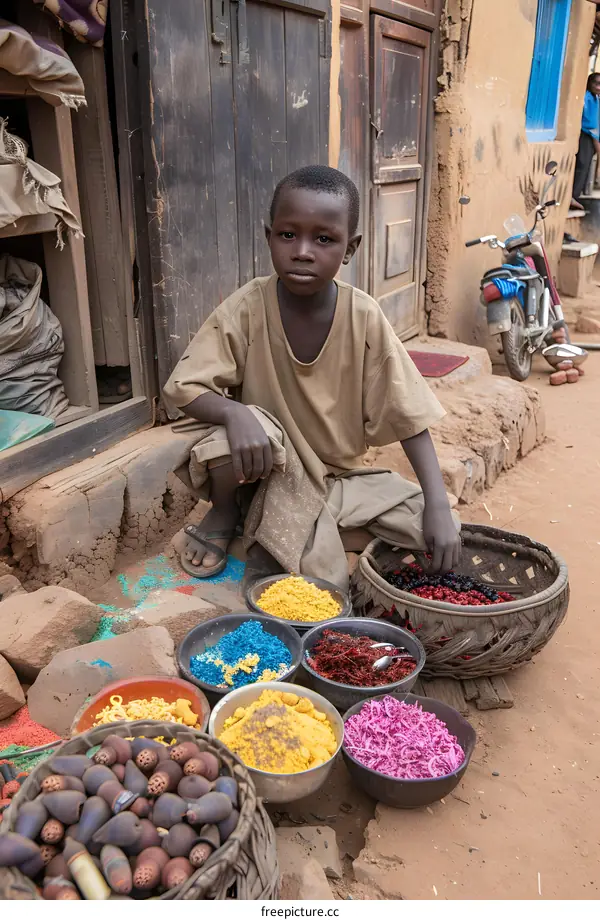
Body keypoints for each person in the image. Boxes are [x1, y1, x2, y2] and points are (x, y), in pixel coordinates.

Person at [164, 165, 460, 590]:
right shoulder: (248, 307)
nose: (303, 251)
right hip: (267, 469)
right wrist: (234, 412)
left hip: (340, 481)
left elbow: (409, 416)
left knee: (434, 525)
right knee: (235, 436)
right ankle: (228, 511)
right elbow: (183, 386)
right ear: (269, 236)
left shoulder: (364, 317)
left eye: (324, 239)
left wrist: (438, 504)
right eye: (288, 235)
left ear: (350, 247)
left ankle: (294, 528)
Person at [571, 73, 600, 209]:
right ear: (590, 83)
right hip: (586, 135)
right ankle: (573, 196)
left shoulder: (596, 98)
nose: (599, 87)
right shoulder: (587, 97)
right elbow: (590, 122)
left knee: (586, 165)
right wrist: (596, 141)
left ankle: (576, 195)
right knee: (582, 165)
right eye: (597, 84)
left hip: (592, 136)